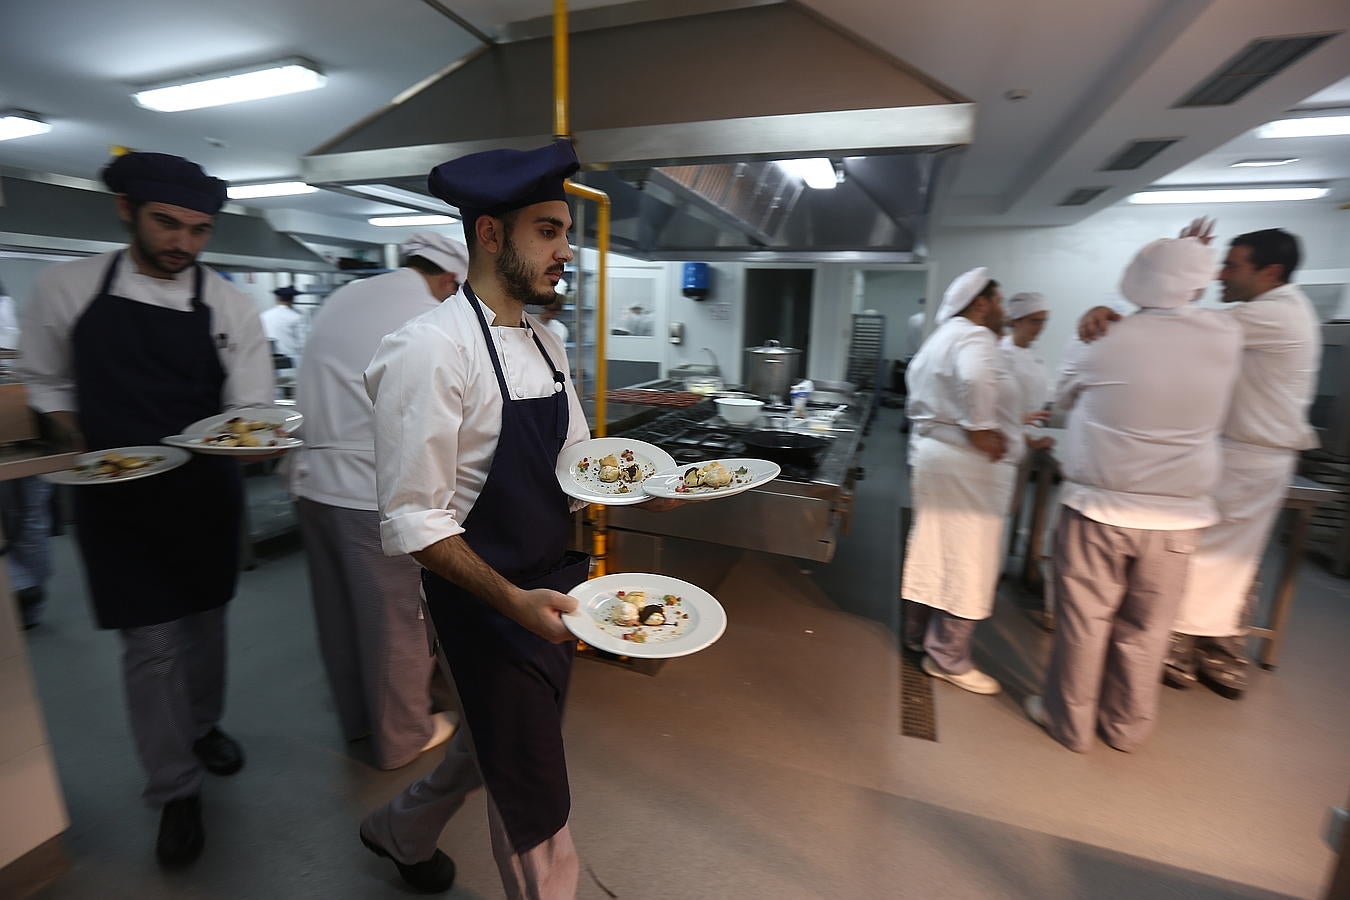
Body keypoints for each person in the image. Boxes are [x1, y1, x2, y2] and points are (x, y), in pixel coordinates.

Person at [17, 151, 274, 866]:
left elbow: (250, 407)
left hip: (204, 497)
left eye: (199, 230)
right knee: (151, 646)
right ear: (125, 210)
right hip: (115, 501)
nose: (183, 244)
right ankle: (174, 788)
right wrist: (73, 438)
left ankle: (202, 724)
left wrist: (257, 443)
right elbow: (43, 382)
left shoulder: (228, 305)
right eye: (168, 224)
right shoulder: (66, 287)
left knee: (207, 627)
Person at [357, 139, 594, 897]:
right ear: (490, 234)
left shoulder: (547, 341)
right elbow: (413, 519)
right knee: (535, 801)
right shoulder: (429, 350)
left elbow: (578, 466)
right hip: (487, 607)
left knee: (496, 747)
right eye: (548, 231)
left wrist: (643, 486)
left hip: (553, 591)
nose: (567, 251)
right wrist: (513, 603)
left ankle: (398, 829)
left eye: (566, 233)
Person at [1078, 221, 1321, 698]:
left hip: (1247, 459)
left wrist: (1173, 275)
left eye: (1230, 266)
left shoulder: (1276, 315)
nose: (1220, 276)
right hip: (1245, 455)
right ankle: (1202, 654)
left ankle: (1179, 650)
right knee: (1225, 562)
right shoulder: (1272, 310)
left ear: (1271, 272)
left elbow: (1176, 329)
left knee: (1204, 558)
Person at [1027, 236, 1242, 753]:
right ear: (1200, 281)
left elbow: (1061, 399)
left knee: (1084, 622)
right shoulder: (1226, 337)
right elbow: (1182, 316)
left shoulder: (1098, 338)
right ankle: (1125, 727)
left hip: (1098, 509)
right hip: (1177, 522)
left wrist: (1108, 317)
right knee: (1147, 630)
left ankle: (1069, 724)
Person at [290, 232, 468, 770]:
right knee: (398, 622)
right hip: (370, 493)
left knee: (341, 616)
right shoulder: (428, 317)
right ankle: (402, 738)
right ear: (448, 280)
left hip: (311, 484)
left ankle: (358, 722)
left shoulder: (346, 296)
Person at [902, 268, 1023, 695]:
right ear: (981, 304)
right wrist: (981, 428)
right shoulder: (975, 336)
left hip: (936, 457)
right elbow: (973, 378)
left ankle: (918, 634)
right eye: (1000, 302)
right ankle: (947, 657)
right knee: (968, 559)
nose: (1004, 311)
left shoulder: (940, 338)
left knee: (935, 548)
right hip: (964, 465)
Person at [0, 280, 54, 629]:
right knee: (28, 516)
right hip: (26, 424)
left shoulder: (6, 307)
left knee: (24, 515)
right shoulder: (8, 306)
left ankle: (25, 590)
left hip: (23, 425)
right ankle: (27, 590)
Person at [262, 284, 306, 365]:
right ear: (292, 300)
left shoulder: (265, 315)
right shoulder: (296, 317)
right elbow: (302, 342)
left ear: (277, 299)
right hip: (291, 360)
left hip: (268, 360)